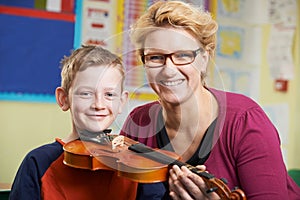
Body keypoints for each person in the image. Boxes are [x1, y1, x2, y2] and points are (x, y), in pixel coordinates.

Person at [120, 1, 300, 199]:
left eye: (183, 55)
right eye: (155, 57)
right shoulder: (138, 122)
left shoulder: (246, 122)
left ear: (204, 59)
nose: (168, 69)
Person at [9, 45, 138, 200]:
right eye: (86, 93)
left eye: (109, 94)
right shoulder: (38, 162)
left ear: (122, 102)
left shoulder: (138, 165)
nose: (98, 104)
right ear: (64, 99)